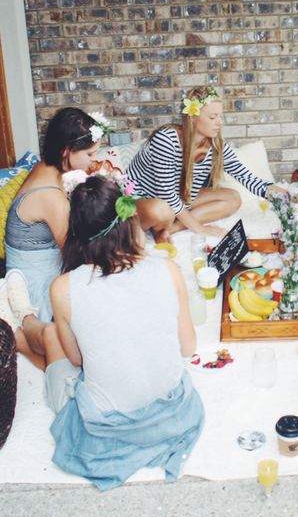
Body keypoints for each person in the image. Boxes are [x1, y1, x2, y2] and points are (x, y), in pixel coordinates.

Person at [47, 175, 204, 490]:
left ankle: (23, 330)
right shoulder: (168, 269)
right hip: (175, 415)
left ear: (77, 233)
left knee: (51, 342)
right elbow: (188, 347)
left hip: (110, 428)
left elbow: (77, 360)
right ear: (131, 219)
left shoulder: (63, 288)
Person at [4, 108, 109, 366]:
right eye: (89, 154)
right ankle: (23, 338)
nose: (93, 160)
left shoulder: (48, 167)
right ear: (66, 151)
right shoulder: (49, 194)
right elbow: (75, 255)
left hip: (41, 261)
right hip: (34, 281)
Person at [127, 85, 279, 240]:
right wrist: (200, 229)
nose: (219, 122)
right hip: (144, 201)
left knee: (233, 197)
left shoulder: (216, 146)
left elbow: (246, 177)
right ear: (193, 117)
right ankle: (162, 226)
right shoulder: (166, 139)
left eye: (220, 116)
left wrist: (284, 194)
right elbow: (166, 194)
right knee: (162, 210)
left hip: (177, 201)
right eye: (213, 117)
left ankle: (171, 229)